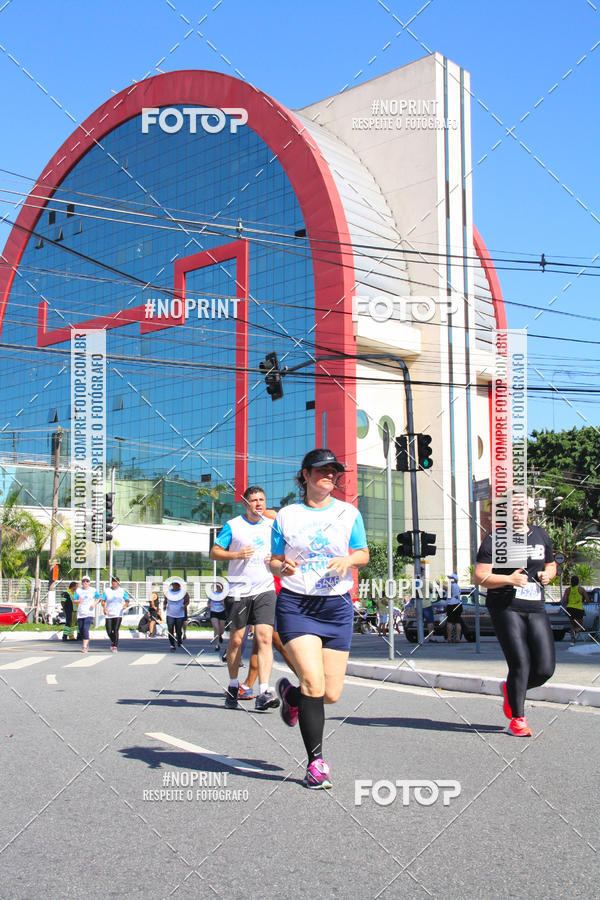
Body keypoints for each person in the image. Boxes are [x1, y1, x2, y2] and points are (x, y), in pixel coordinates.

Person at [270, 448, 369, 789]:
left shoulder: (348, 513)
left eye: (333, 470)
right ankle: (315, 764)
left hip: (336, 607)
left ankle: (292, 698)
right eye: (322, 470)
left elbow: (363, 552)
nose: (330, 474)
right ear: (306, 475)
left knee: (330, 693)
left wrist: (349, 561)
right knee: (314, 682)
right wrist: (280, 566)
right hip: (297, 605)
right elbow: (273, 559)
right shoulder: (286, 516)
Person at [475, 494, 557, 737]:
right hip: (505, 606)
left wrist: (548, 575)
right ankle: (518, 720)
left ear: (529, 508)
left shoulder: (541, 535)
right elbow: (480, 576)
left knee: (544, 668)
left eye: (523, 505)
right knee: (520, 662)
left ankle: (510, 690)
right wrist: (509, 579)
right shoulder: (495, 538)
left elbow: (551, 564)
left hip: (535, 606)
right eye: (514, 506)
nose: (519, 510)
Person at [210, 486, 280, 712]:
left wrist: (276, 558)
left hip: (265, 589)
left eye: (262, 499)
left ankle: (264, 691)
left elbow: (285, 550)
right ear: (245, 503)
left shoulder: (272, 525)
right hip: (239, 590)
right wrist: (236, 555)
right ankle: (233, 685)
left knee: (264, 639)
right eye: (254, 500)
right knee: (237, 640)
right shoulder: (233, 525)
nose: (258, 504)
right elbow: (214, 552)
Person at [101, 575, 130, 652]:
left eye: (116, 582)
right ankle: (113, 641)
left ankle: (115, 645)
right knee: (109, 630)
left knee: (115, 629)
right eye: (113, 582)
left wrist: (125, 605)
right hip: (109, 613)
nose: (114, 583)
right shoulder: (107, 591)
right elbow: (103, 601)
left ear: (118, 583)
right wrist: (104, 608)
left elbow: (127, 600)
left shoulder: (122, 591)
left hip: (118, 613)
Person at [73, 575, 100, 653]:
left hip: (89, 613)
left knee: (85, 629)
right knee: (81, 630)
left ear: (89, 582)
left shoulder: (93, 590)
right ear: (82, 583)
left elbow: (98, 598)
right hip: (81, 613)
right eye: (84, 581)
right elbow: (74, 600)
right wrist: (78, 601)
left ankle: (84, 647)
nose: (85, 583)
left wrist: (94, 604)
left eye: (87, 581)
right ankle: (86, 642)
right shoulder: (78, 590)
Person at [164, 579, 189, 651]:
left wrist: (184, 606)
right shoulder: (168, 593)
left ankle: (179, 639)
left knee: (178, 629)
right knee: (170, 629)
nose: (175, 586)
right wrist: (165, 606)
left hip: (179, 614)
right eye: (174, 585)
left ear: (179, 586)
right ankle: (172, 644)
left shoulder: (183, 593)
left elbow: (187, 601)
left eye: (177, 585)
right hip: (170, 614)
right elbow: (165, 601)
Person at [562, 575, 588, 643]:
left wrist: (569, 600)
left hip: (569, 609)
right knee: (580, 627)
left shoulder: (568, 590)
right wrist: (585, 602)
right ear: (578, 582)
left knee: (573, 625)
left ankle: (573, 640)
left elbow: (564, 600)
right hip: (578, 609)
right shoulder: (581, 589)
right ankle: (574, 632)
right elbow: (587, 599)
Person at [445, 574, 463, 642]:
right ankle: (458, 638)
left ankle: (449, 638)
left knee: (450, 622)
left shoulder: (452, 585)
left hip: (451, 604)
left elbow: (446, 588)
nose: (449, 579)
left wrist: (439, 584)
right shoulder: (457, 586)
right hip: (458, 604)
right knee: (457, 622)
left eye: (450, 578)